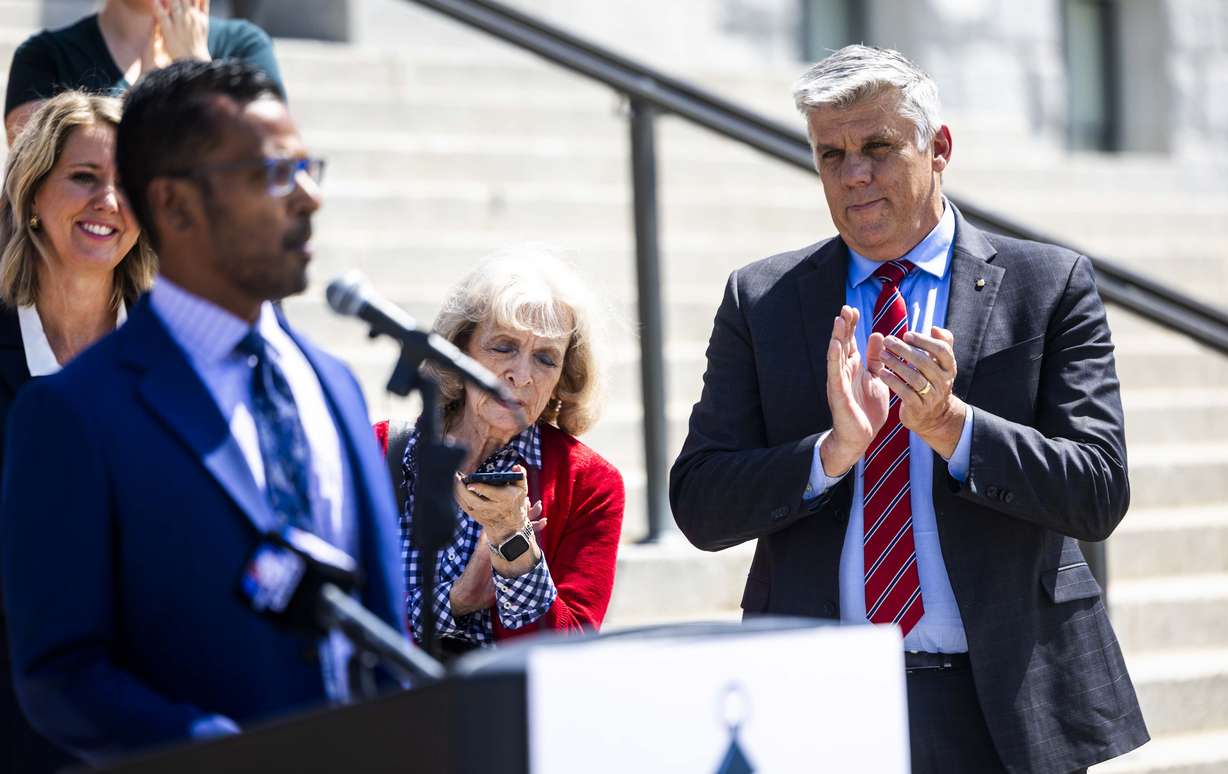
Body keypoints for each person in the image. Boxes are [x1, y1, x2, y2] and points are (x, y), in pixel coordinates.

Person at [669, 45, 1148, 773]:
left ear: (940, 147)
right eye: (831, 155)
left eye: (877, 148)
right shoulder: (761, 299)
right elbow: (700, 503)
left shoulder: (1048, 286)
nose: (853, 174)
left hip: (1003, 705)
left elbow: (1098, 490)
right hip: (818, 708)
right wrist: (830, 454)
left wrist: (952, 428)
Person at [0, 60, 404, 762]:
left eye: (309, 167)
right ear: (179, 207)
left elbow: (381, 638)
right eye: (271, 173)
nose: (307, 195)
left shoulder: (333, 384)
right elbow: (63, 669)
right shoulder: (73, 411)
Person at [0, 90, 155, 773]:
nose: (108, 202)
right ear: (32, 195)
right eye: (85, 178)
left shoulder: (170, 362)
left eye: (126, 185)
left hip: (141, 716)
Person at [374, 249, 624, 656]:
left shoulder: (590, 483)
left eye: (546, 358)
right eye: (503, 347)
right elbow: (341, 613)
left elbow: (569, 654)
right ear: (460, 349)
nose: (521, 376)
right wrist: (456, 600)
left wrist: (513, 545)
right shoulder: (380, 450)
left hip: (507, 711)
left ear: (564, 376)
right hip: (388, 708)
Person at [5, 0, 285, 145]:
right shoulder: (43, 56)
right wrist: (145, 94)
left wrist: (197, 68)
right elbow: (37, 175)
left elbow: (262, 162)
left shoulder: (245, 46)